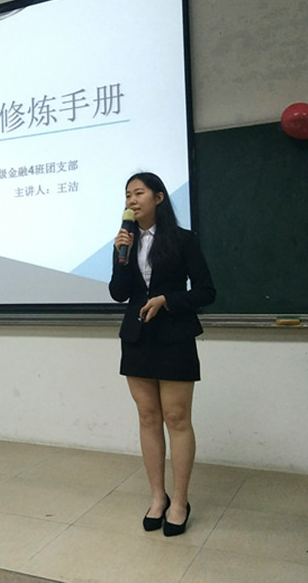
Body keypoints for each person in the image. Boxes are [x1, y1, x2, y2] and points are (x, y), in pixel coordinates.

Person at [109, 172, 216, 537]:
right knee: (148, 416)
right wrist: (120, 256)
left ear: (158, 197)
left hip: (174, 336)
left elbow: (206, 291)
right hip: (137, 336)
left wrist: (167, 300)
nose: (131, 200)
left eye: (138, 193)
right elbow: (118, 293)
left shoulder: (183, 239)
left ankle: (180, 501)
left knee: (176, 417)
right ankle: (158, 497)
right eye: (127, 195)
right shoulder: (124, 242)